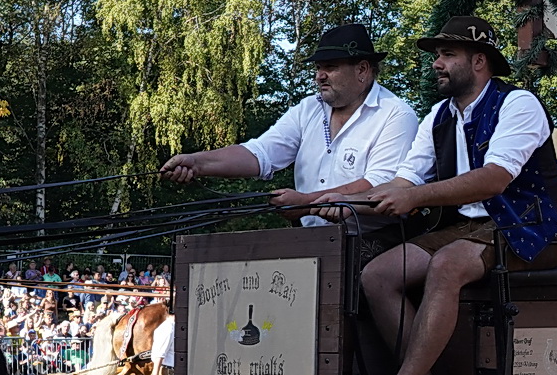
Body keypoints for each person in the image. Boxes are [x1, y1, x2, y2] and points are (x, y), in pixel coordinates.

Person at [341, 16, 557, 375]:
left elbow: (494, 179)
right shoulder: (440, 116)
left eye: (447, 54)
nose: (436, 63)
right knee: (378, 275)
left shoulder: (518, 104)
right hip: (468, 229)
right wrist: (330, 203)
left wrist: (416, 197)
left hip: (528, 227)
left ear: (478, 61)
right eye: (437, 56)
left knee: (447, 264)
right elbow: (404, 181)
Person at [159, 23, 419, 263]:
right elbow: (261, 153)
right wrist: (197, 163)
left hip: (376, 245)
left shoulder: (396, 114)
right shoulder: (308, 109)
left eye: (330, 67)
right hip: (311, 242)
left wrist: (306, 202)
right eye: (318, 68)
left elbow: (380, 183)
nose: (319, 76)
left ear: (362, 70)